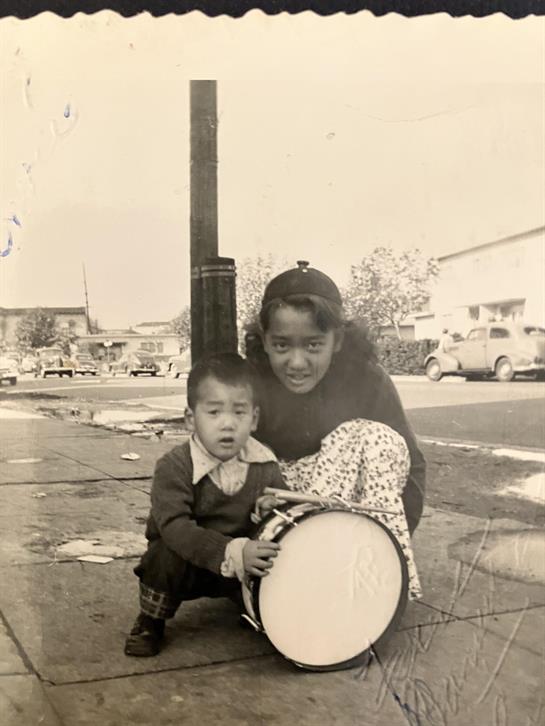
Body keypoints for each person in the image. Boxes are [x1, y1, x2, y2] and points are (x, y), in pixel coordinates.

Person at [246, 261, 426, 600]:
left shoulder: (368, 380)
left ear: (338, 340)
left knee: (375, 437)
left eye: (313, 345)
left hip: (350, 521)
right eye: (282, 345)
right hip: (277, 514)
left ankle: (374, 575)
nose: (297, 363)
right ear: (265, 341)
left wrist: (394, 542)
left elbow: (410, 468)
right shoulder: (249, 382)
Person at [125, 353, 286, 657]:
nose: (227, 424)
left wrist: (272, 510)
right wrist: (229, 551)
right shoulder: (175, 466)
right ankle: (151, 620)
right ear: (191, 418)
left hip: (241, 565)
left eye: (239, 413)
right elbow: (174, 527)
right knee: (163, 556)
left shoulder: (265, 463)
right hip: (188, 560)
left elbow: (284, 511)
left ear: (253, 419)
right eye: (214, 412)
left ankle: (255, 607)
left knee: (278, 552)